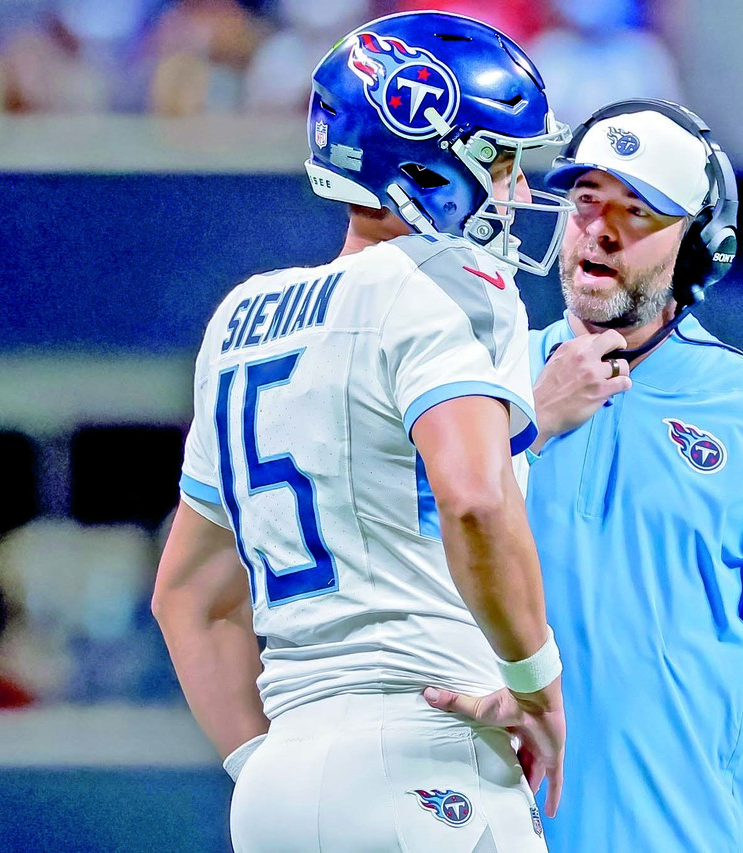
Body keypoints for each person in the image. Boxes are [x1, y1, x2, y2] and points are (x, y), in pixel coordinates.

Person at [151, 11, 576, 851]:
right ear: (424, 165)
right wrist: (536, 683)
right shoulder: (450, 280)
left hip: (277, 780)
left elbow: (187, 596)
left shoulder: (241, 318)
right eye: (499, 162)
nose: (520, 193)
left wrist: (278, 771)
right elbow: (473, 500)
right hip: (426, 750)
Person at [425, 100, 743, 852]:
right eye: (586, 200)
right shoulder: (474, 385)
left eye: (637, 211)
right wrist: (533, 419)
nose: (600, 229)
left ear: (697, 248)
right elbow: (405, 551)